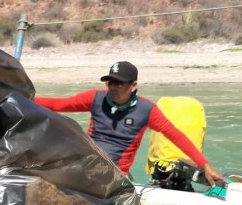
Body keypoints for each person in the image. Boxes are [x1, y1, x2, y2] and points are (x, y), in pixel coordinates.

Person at [34, 61, 226, 186]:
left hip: (115, 176)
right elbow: (57, 104)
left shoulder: (146, 110)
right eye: (110, 82)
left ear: (133, 85)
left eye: (119, 83)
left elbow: (175, 135)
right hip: (86, 165)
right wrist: (20, 96)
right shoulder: (95, 98)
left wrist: (205, 165)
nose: (113, 87)